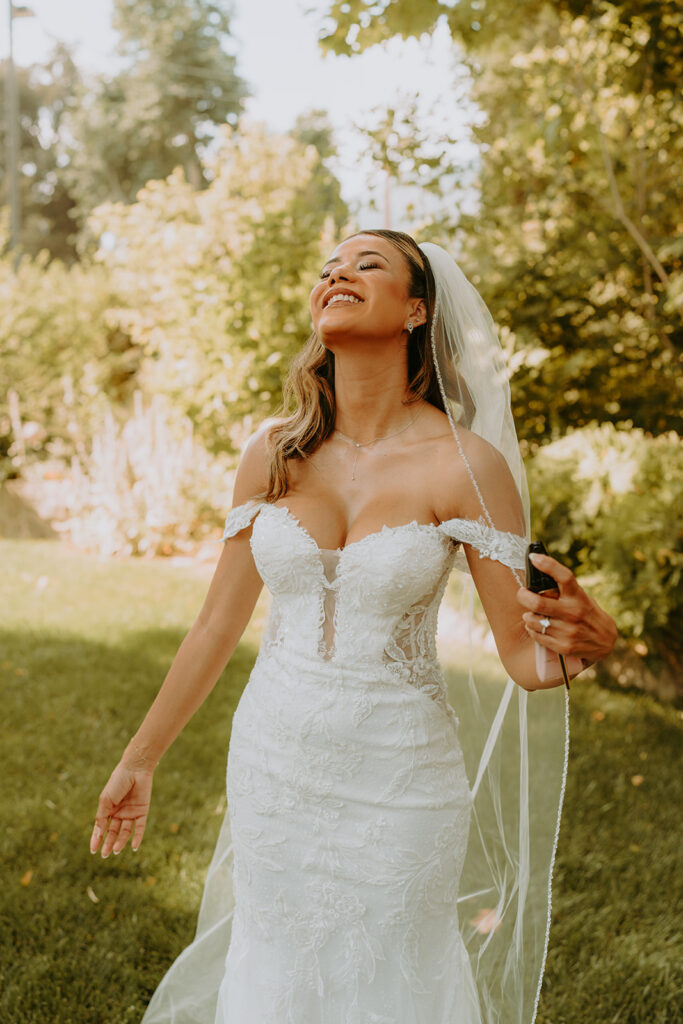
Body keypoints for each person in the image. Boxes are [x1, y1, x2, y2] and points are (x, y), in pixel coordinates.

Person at [90, 230, 617, 1024]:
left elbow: (524, 660)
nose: (337, 272)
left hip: (401, 778)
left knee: (395, 973)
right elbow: (212, 628)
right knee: (277, 968)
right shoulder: (274, 449)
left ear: (414, 310)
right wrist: (141, 758)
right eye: (329, 265)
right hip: (274, 763)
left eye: (366, 264)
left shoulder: (465, 464)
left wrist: (590, 647)